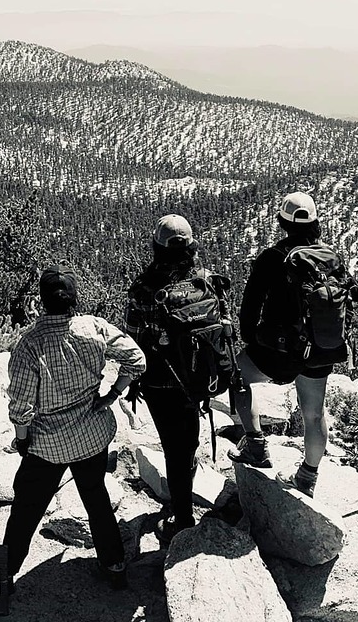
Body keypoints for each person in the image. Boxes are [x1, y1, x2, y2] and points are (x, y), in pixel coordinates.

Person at [3, 263, 146, 593]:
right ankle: (114, 565)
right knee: (96, 499)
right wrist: (112, 394)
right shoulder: (94, 327)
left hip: (47, 444)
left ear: (41, 301)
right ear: (74, 298)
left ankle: (4, 574)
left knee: (27, 507)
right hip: (91, 435)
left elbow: (21, 406)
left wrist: (22, 439)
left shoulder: (29, 345)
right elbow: (136, 359)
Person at [230, 191, 358, 496]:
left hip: (278, 352)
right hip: (320, 351)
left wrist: (250, 338)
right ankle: (307, 478)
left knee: (237, 375)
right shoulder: (330, 258)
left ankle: (256, 445)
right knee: (314, 414)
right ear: (315, 221)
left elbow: (250, 306)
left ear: (283, 222)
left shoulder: (272, 258)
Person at [124, 214, 232, 542]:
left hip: (160, 380)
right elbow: (225, 325)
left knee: (173, 446)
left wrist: (129, 382)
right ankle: (185, 495)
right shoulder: (208, 280)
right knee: (188, 440)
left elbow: (131, 339)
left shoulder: (144, 289)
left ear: (157, 246)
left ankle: (182, 518)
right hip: (198, 376)